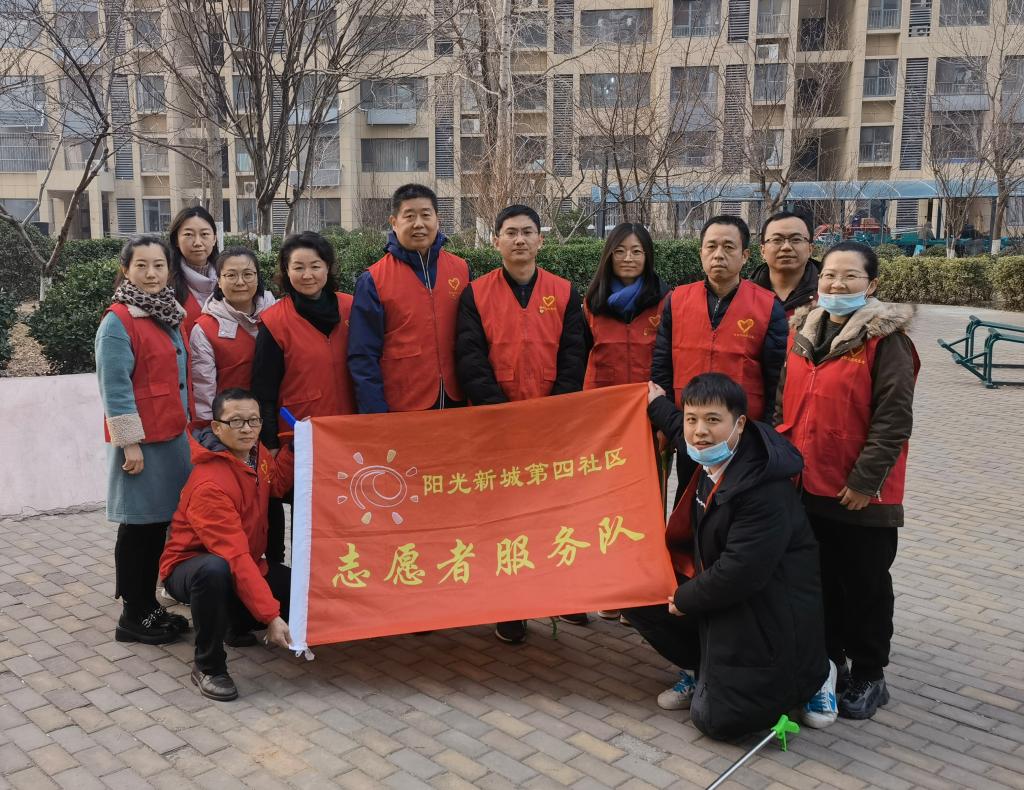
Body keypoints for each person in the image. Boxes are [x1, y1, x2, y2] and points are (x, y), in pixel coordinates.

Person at [625, 373, 832, 740]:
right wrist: (657, 404)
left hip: (764, 607)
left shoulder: (763, 486)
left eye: (712, 420)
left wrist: (685, 598)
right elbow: (680, 429)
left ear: (739, 423)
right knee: (634, 591)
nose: (700, 432)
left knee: (716, 721)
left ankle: (818, 674)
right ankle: (699, 666)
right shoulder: (713, 455)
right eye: (692, 419)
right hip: (724, 593)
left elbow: (741, 572)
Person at [775, 241, 918, 720]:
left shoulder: (887, 342)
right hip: (806, 483)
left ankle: (871, 674)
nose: (837, 284)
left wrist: (864, 482)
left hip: (859, 493)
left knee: (865, 586)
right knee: (821, 582)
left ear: (871, 284)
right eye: (829, 275)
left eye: (850, 276)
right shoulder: (803, 332)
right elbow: (782, 404)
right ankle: (830, 662)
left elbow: (893, 419)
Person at [456, 204, 587, 643]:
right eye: (510, 232)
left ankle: (560, 596)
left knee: (553, 515)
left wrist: (553, 413)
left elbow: (574, 356)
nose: (519, 240)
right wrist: (501, 414)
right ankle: (509, 606)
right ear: (495, 241)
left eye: (527, 232)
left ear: (540, 240)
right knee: (504, 520)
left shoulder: (564, 292)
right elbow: (470, 359)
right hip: (497, 427)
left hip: (551, 426)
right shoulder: (476, 294)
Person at [160, 389, 294, 701]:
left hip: (244, 561)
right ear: (217, 427)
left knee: (296, 594)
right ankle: (208, 666)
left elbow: (277, 485)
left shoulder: (256, 454)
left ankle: (234, 623)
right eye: (236, 422)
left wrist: (295, 448)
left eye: (253, 420)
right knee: (214, 570)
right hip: (192, 567)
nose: (246, 429)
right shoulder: (210, 483)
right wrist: (270, 616)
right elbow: (233, 555)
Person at [95, 236, 192, 645]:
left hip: (171, 437)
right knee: (138, 528)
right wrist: (129, 442)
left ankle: (148, 605)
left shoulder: (166, 312)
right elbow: (114, 387)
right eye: (141, 266)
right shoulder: (118, 320)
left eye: (158, 265)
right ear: (126, 270)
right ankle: (133, 615)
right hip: (142, 445)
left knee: (156, 526)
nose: (151, 274)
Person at [582, 222, 669, 622]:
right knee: (604, 503)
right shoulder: (591, 305)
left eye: (637, 251)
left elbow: (668, 362)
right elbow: (582, 359)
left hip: (649, 420)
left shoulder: (665, 303)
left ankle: (641, 587)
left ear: (648, 256)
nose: (629, 258)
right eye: (620, 251)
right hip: (603, 424)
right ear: (609, 256)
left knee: (647, 504)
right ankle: (609, 586)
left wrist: (666, 420)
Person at [252, 231, 356, 562]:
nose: (307, 275)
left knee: (351, 515)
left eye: (315, 265)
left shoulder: (352, 308)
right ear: (286, 271)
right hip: (301, 439)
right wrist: (270, 442)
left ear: (328, 268)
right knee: (308, 523)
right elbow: (264, 390)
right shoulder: (274, 321)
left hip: (350, 435)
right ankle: (306, 587)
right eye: (298, 267)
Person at [651, 215, 788, 424]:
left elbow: (776, 379)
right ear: (701, 253)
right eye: (711, 246)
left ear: (744, 255)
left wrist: (766, 431)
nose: (718, 255)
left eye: (728, 247)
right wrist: (667, 421)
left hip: (743, 427)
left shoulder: (768, 305)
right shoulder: (677, 299)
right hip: (686, 423)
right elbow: (662, 366)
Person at [348, 183, 470, 413]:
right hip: (403, 403)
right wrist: (375, 414)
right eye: (409, 216)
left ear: (438, 219)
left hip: (457, 399)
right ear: (394, 222)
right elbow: (363, 354)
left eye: (426, 215)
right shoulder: (374, 279)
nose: (419, 224)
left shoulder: (461, 269)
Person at [189, 247, 276, 426]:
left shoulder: (277, 315)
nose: (240, 282)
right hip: (234, 426)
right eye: (231, 275)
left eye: (248, 274)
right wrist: (207, 431)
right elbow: (203, 390)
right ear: (219, 281)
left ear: (258, 277)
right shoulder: (204, 329)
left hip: (279, 419)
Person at [749, 210, 821, 315]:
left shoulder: (829, 294)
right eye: (777, 240)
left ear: (810, 249)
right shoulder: (744, 295)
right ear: (762, 250)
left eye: (796, 239)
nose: (786, 247)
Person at [169, 206, 220, 335]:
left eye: (204, 234)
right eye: (188, 234)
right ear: (176, 240)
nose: (197, 242)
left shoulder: (228, 277)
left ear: (214, 239)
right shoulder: (165, 284)